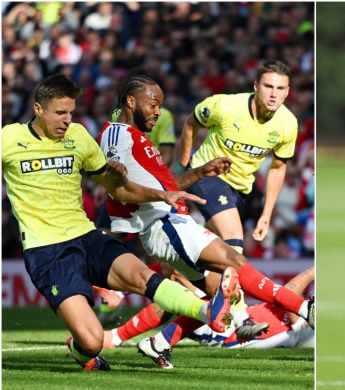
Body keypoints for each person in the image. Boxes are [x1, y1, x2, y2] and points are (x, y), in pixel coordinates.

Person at [1, 74, 239, 371]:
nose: (67, 120)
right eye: (60, 113)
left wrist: (157, 192)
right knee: (92, 341)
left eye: (71, 113)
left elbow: (119, 189)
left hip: (86, 236)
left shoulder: (78, 136)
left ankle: (208, 311)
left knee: (141, 275)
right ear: (38, 109)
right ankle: (80, 351)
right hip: (48, 251)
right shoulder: (9, 139)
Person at [96, 74, 314, 363]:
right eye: (152, 105)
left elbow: (165, 186)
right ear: (131, 101)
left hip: (170, 222)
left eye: (160, 105)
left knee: (219, 293)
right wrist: (158, 194)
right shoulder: (117, 134)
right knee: (233, 261)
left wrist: (202, 172)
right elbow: (118, 188)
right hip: (162, 226)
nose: (158, 112)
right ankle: (305, 310)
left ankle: (160, 342)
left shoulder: (139, 138)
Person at [178, 59, 299, 331]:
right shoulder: (225, 106)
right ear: (255, 86)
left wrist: (267, 214)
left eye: (280, 88)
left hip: (241, 190)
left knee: (210, 262)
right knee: (234, 242)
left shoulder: (288, 124)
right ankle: (242, 316)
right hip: (208, 177)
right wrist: (185, 167)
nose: (273, 93)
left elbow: (279, 167)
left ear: (288, 91)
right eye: (268, 86)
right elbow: (191, 123)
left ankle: (163, 338)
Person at [104, 267, 315, 356]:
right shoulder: (295, 328)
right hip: (232, 323)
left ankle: (116, 329)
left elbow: (291, 291)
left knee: (177, 275)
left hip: (224, 329)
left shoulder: (297, 326)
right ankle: (119, 323)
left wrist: (314, 270)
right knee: (182, 275)